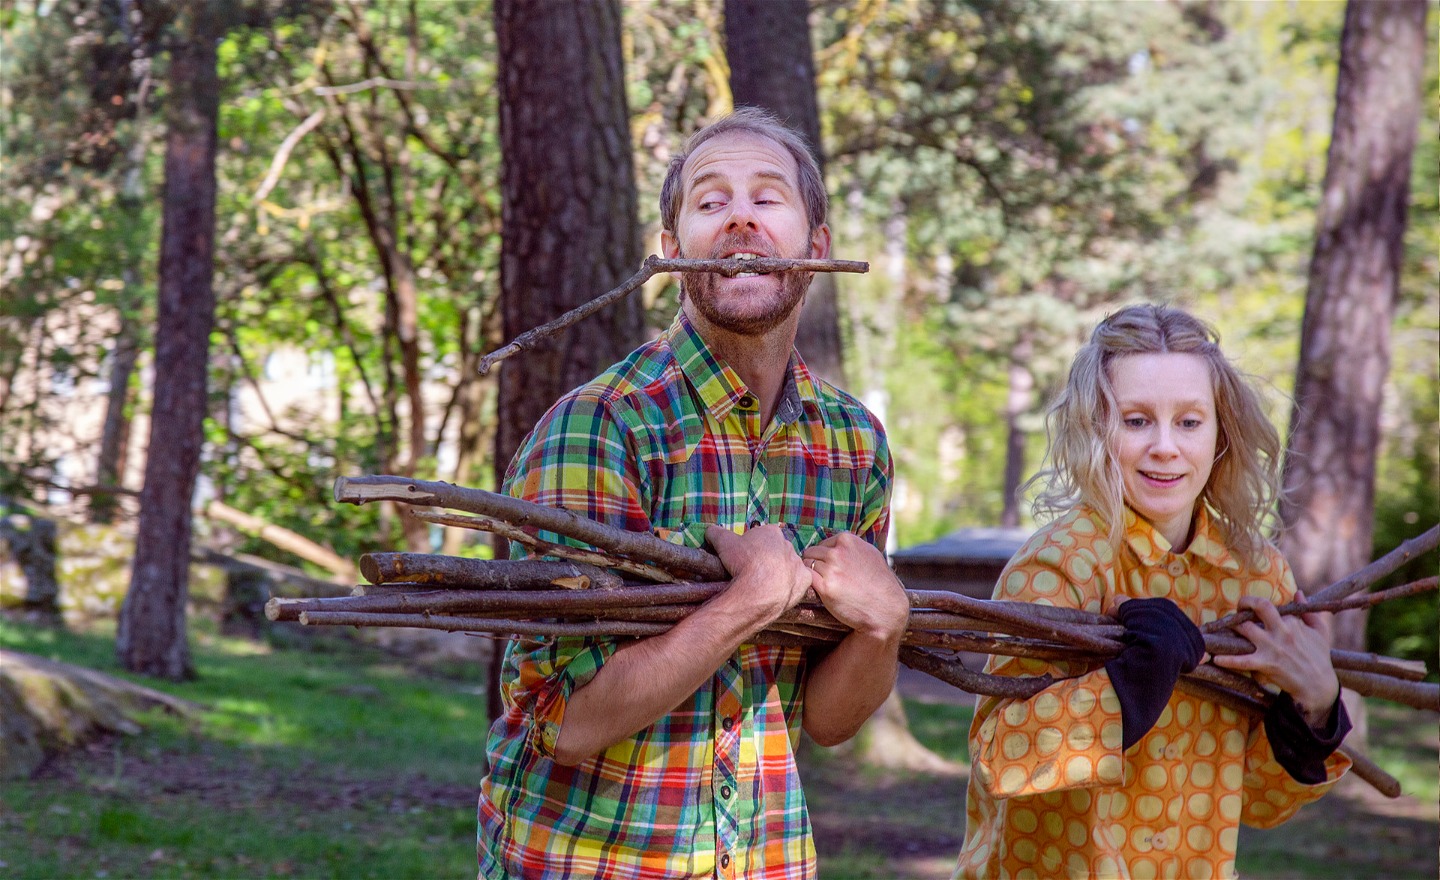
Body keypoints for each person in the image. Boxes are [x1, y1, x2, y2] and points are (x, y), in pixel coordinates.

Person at [476, 107, 911, 879]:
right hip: (592, 862)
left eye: (768, 198)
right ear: (674, 254)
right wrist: (747, 602)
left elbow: (829, 720)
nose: (740, 216)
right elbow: (566, 722)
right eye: (711, 202)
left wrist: (883, 630)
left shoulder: (854, 445)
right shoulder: (599, 427)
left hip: (768, 860)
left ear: (817, 248)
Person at [953, 304, 1352, 880]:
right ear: (1096, 428)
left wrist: (1315, 709)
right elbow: (1000, 757)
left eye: (1189, 422)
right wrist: (1130, 683)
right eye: (1137, 420)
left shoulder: (1254, 578)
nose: (1165, 446)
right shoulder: (1061, 565)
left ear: (1221, 434)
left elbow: (1264, 803)